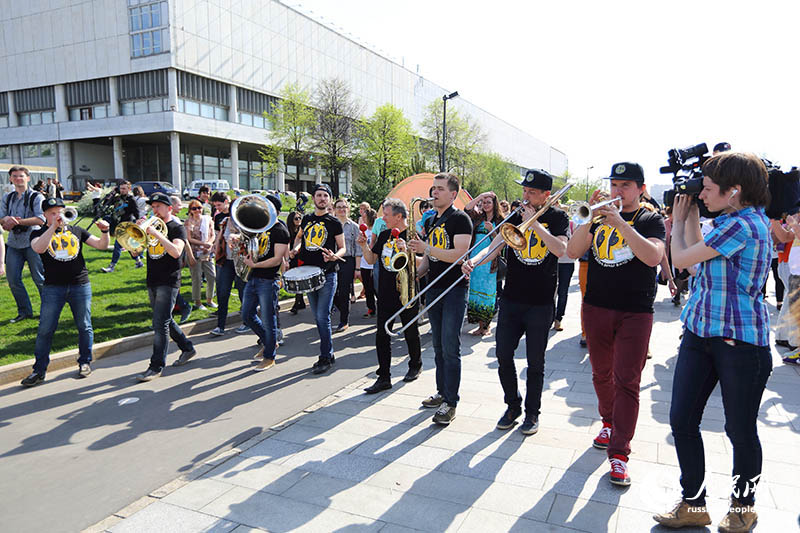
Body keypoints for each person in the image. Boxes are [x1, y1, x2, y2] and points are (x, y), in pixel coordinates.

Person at [654, 152, 772, 532]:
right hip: (700, 333)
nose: (700, 194)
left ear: (733, 191)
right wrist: (686, 214)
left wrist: (680, 219)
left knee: (739, 430)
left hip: (740, 343)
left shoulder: (746, 224)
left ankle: (743, 508)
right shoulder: (726, 223)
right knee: (682, 420)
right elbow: (691, 262)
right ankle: (693, 504)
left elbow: (681, 255)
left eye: (706, 189)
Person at [566, 162, 666, 487]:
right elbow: (572, 250)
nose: (617, 191)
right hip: (596, 307)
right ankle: (608, 422)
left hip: (635, 312)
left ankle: (620, 453)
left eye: (624, 185)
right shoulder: (598, 218)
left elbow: (652, 257)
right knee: (600, 374)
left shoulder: (651, 219)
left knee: (627, 381)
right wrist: (588, 219)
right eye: (613, 185)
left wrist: (620, 223)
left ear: (640, 188)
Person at [462, 169, 568, 435]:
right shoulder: (514, 215)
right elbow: (496, 244)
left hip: (541, 301)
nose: (526, 196)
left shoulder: (558, 217)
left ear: (546, 195)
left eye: (532, 192)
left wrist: (535, 224)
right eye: (524, 191)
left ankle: (533, 413)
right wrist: (475, 261)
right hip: (512, 299)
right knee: (502, 355)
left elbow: (561, 250)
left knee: (535, 362)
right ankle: (513, 405)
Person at [21, 197, 111, 386]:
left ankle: (85, 362)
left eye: (60, 211)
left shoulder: (76, 230)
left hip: (80, 285)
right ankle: (39, 370)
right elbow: (38, 248)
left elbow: (101, 245)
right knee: (45, 329)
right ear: (44, 215)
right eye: (52, 213)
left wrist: (105, 231)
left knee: (84, 325)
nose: (58, 215)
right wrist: (53, 227)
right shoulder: (38, 232)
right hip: (53, 287)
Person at [407, 173, 472, 425]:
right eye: (433, 188)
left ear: (453, 194)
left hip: (454, 290)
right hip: (434, 288)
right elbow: (428, 261)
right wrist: (412, 269)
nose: (434, 193)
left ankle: (451, 401)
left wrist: (426, 249)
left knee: (450, 347)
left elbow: (458, 254)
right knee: (437, 346)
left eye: (440, 189)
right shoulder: (433, 219)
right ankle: (442, 392)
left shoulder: (460, 219)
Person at [358, 198, 422, 393]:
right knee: (381, 335)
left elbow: (422, 264)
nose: (382, 218)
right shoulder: (385, 234)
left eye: (386, 215)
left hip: (406, 291)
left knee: (410, 332)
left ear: (398, 216)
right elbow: (371, 259)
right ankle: (384, 376)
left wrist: (408, 251)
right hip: (385, 292)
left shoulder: (413, 236)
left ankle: (415, 364)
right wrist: (364, 246)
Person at [137, 192, 196, 381]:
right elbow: (136, 251)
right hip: (152, 279)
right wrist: (137, 236)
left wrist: (155, 234)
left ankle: (156, 366)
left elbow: (176, 251)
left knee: (160, 323)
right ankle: (187, 348)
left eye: (158, 207)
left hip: (169, 281)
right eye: (152, 207)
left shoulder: (176, 227)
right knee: (165, 320)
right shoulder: (151, 226)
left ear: (169, 208)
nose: (154, 210)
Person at [288, 183, 345, 374]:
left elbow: (343, 247)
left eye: (325, 196)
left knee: (322, 316)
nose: (322, 198)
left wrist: (335, 256)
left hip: (327, 274)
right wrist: (295, 249)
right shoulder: (306, 220)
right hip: (308, 273)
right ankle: (328, 352)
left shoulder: (334, 222)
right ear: (313, 199)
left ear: (329, 199)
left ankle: (324, 357)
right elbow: (299, 238)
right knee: (319, 317)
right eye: (319, 195)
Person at [238, 193, 290, 371]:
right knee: (246, 315)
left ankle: (269, 357)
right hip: (253, 277)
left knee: (269, 319)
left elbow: (277, 259)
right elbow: (251, 248)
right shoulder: (258, 228)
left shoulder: (281, 231)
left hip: (268, 280)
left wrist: (256, 264)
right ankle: (270, 342)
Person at [0, 166, 45, 324]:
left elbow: (41, 219)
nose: (18, 179)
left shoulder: (36, 197)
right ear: (10, 179)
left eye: (21, 176)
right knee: (13, 279)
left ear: (28, 178)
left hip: (33, 242)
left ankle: (49, 311)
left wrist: (16, 221)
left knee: (39, 278)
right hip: (14, 243)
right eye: (15, 176)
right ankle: (25, 312)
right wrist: (6, 221)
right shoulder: (7, 197)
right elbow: (1, 217)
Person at [464, 191, 504, 336]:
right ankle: (480, 325)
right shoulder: (478, 217)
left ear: (495, 204)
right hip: (475, 258)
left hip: (490, 261)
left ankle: (486, 326)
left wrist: (492, 232)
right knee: (475, 292)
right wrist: (481, 196)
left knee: (487, 293)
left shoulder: (500, 220)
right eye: (484, 202)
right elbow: (467, 208)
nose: (485, 204)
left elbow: (502, 241)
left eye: (488, 202)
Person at [209, 192, 246, 336]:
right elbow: (219, 240)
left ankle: (247, 322)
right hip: (226, 262)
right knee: (222, 292)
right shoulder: (224, 222)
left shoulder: (246, 223)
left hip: (242, 262)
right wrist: (215, 251)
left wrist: (237, 235)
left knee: (244, 293)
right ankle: (220, 326)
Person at [101, 180, 144, 272]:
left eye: (124, 188)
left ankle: (111, 266)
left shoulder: (131, 199)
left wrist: (139, 221)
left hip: (127, 225)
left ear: (129, 189)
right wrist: (111, 193)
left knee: (118, 245)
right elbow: (105, 204)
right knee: (127, 245)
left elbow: (137, 213)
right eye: (121, 188)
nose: (122, 190)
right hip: (118, 224)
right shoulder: (117, 198)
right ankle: (138, 262)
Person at [332, 197, 360, 332]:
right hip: (332, 260)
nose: (342, 209)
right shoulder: (330, 224)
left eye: (344, 207)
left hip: (347, 261)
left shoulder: (354, 227)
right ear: (334, 210)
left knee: (344, 292)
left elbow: (358, 250)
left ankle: (344, 321)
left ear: (348, 209)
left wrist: (357, 268)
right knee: (331, 292)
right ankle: (341, 309)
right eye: (339, 207)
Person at [184, 199, 216, 310]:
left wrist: (209, 244)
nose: (197, 210)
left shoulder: (208, 220)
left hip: (207, 252)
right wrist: (203, 244)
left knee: (212, 276)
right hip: (194, 252)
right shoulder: (188, 222)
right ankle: (197, 302)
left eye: (199, 208)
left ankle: (209, 300)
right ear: (190, 210)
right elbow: (189, 238)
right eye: (194, 208)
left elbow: (213, 235)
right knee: (196, 278)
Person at [170, 195, 193, 324]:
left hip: (175, 254)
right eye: (179, 205)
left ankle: (183, 306)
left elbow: (183, 240)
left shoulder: (175, 221)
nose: (180, 207)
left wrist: (189, 255)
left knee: (171, 286)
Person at [553, 205, 575, 331]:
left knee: (563, 291)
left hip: (567, 262)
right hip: (553, 261)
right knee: (551, 290)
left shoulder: (572, 224)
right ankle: (550, 317)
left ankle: (558, 318)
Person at [285, 210, 307, 315]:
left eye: (300, 218)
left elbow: (302, 242)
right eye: (296, 218)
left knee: (299, 280)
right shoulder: (288, 231)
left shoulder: (302, 230)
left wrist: (294, 250)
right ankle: (301, 301)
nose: (298, 220)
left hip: (300, 256)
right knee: (294, 280)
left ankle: (296, 304)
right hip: (291, 257)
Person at [358, 208, 377, 317]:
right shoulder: (363, 231)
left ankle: (383, 306)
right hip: (364, 264)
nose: (362, 219)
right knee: (368, 288)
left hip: (374, 263)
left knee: (376, 287)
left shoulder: (376, 231)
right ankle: (371, 308)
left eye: (364, 217)